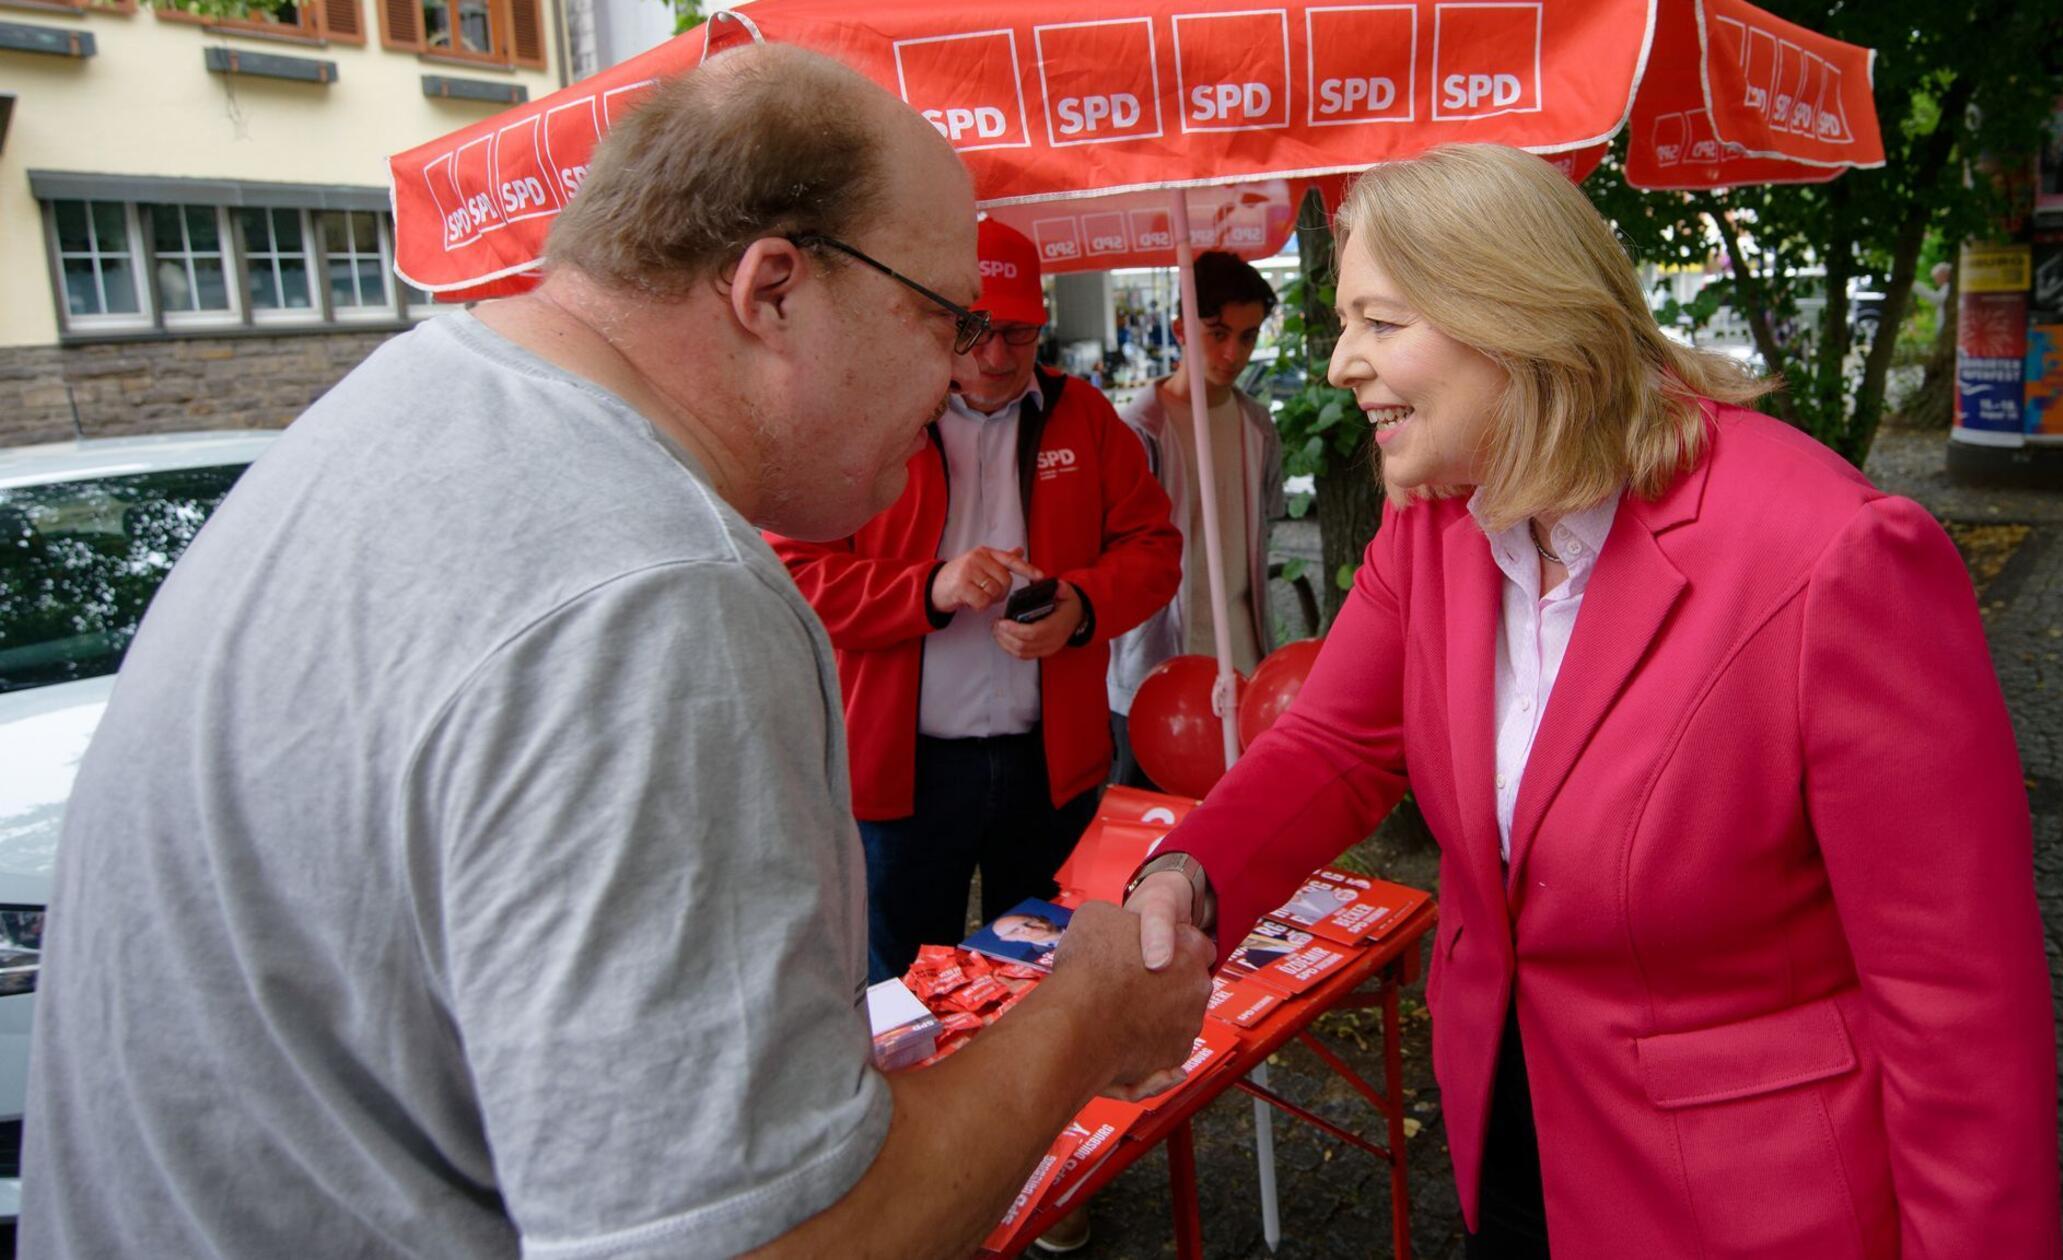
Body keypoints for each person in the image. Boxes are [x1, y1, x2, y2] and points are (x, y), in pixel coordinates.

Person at [23, 46, 1212, 1260]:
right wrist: (1085, 1018)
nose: (959, 368)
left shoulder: (411, 409)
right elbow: (777, 1241)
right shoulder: (655, 594)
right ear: (773, 289)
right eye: (944, 316)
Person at [1126, 144, 2059, 1259]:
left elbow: (1956, 1002)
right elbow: (1335, 739)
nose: (1337, 365)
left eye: (1377, 323)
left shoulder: (1832, 555)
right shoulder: (1436, 518)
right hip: (1509, 1132)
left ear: (1511, 313)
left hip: (1751, 1202)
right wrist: (1191, 872)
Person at [769, 217, 1181, 988]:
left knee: (1048, 975)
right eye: (977, 330)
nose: (996, 357)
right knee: (899, 987)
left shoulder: (1085, 417)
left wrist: (1080, 608)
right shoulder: (866, 416)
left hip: (1048, 766)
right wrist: (929, 587)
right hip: (904, 772)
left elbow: (1155, 551)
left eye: (1018, 334)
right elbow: (794, 572)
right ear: (942, 317)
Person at [1107, 250, 1282, 788]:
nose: (1234, 352)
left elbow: (1263, 537)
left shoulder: (1258, 427)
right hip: (1154, 672)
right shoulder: (1134, 430)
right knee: (1149, 832)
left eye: (1249, 336)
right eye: (1218, 332)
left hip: (1244, 663)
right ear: (1181, 327)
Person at [1911, 260, 1953, 338]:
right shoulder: (1946, 287)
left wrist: (1916, 286)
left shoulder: (1949, 287)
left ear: (1944, 274)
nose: (1936, 281)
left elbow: (1936, 299)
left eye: (1937, 278)